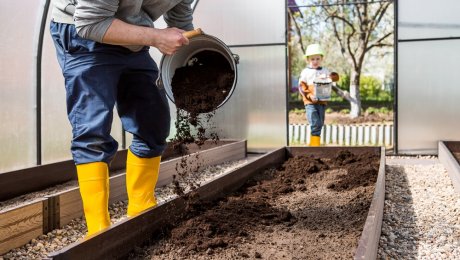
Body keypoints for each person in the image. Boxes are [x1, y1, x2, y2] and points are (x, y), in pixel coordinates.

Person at [50, 0, 194, 236]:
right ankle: (98, 231)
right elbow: (90, 23)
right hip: (84, 34)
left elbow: (181, 22)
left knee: (153, 122)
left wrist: (194, 48)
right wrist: (156, 37)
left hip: (131, 36)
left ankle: (141, 208)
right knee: (93, 129)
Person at [298, 43, 339, 146]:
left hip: (322, 101)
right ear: (308, 59)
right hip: (310, 102)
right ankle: (314, 146)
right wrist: (309, 96)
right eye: (312, 59)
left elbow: (333, 80)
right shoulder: (306, 72)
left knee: (320, 123)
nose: (315, 61)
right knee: (315, 123)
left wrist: (332, 77)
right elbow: (301, 87)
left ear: (322, 59)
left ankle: (315, 144)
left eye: (317, 59)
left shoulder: (324, 71)